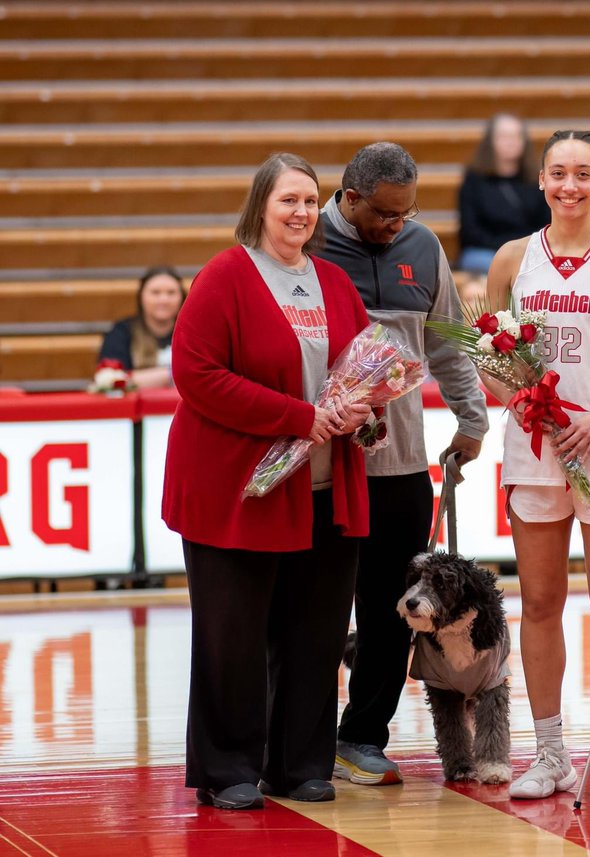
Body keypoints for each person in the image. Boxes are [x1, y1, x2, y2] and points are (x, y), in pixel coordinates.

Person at [163, 153, 374, 810]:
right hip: (237, 491)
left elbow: (365, 368)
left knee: (315, 633)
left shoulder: (334, 281)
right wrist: (298, 416)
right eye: (289, 200)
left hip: (323, 490)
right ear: (260, 206)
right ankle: (227, 768)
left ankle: (298, 764)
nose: (301, 213)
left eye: (310, 201)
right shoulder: (225, 276)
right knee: (231, 637)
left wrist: (365, 409)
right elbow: (197, 375)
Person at [313, 142, 490, 786]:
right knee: (315, 609)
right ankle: (300, 738)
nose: (397, 225)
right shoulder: (309, 242)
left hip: (404, 464)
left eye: (406, 212)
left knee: (394, 611)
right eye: (386, 214)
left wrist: (473, 419)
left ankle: (361, 737)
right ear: (350, 198)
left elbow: (448, 343)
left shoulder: (423, 245)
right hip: (324, 465)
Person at [485, 130, 590, 802]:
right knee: (540, 602)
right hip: (535, 448)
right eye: (558, 172)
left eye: (583, 173)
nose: (569, 185)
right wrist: (520, 399)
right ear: (541, 180)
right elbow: (488, 357)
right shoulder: (513, 258)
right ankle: (550, 753)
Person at [457, 113, 550, 279]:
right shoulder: (474, 180)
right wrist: (507, 250)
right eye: (504, 136)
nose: (511, 142)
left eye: (516, 136)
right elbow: (470, 230)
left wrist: (522, 248)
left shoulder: (537, 180)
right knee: (501, 267)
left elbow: (545, 225)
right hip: (484, 251)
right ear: (491, 141)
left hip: (529, 251)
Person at [97, 265, 186, 389]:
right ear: (141, 297)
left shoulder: (192, 333)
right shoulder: (121, 332)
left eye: (171, 293)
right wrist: (172, 374)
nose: (164, 300)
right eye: (155, 292)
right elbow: (109, 380)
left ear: (182, 297)